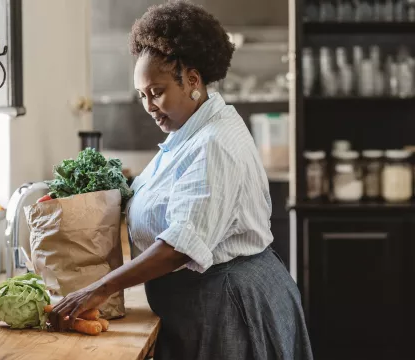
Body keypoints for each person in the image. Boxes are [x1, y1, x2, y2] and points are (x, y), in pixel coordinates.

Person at [49, 1, 313, 359]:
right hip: (201, 305)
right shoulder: (188, 131)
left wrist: (99, 289)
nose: (148, 105)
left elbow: (181, 246)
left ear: (192, 79)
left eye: (156, 92)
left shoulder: (214, 143)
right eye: (142, 95)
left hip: (229, 307)